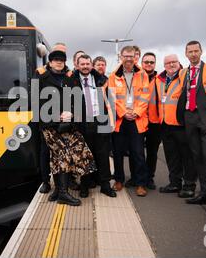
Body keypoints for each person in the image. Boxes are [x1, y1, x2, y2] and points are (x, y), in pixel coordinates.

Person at [36, 44, 96, 206]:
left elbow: (77, 99)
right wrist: (54, 116)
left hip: (68, 124)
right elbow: (35, 101)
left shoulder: (70, 77)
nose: (59, 63)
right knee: (61, 155)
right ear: (50, 62)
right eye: (56, 60)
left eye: (61, 60)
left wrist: (70, 113)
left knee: (75, 152)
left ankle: (58, 190)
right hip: (49, 125)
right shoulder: (40, 76)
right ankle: (62, 192)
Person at [177, 41, 206, 217]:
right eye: (190, 52)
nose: (194, 54)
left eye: (196, 51)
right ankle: (203, 193)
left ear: (201, 52)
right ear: (186, 54)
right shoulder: (183, 73)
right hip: (190, 118)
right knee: (197, 158)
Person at [108, 46, 150, 197]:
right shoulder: (113, 76)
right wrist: (124, 113)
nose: (128, 59)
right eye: (126, 56)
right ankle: (119, 180)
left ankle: (140, 183)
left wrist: (136, 112)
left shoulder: (143, 75)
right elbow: (112, 98)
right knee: (118, 153)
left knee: (138, 153)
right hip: (121, 120)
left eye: (131, 56)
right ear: (121, 56)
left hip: (137, 120)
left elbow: (145, 97)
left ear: (135, 57)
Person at [73, 54, 117, 199]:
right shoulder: (71, 80)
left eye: (88, 64)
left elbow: (109, 102)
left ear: (91, 65)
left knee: (103, 155)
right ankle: (84, 186)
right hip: (82, 124)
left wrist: (111, 122)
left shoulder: (101, 79)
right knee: (84, 156)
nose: (85, 66)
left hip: (101, 121)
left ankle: (105, 186)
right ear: (77, 65)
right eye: (82, 64)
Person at [154, 55, 197, 198]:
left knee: (187, 157)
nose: (171, 65)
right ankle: (174, 183)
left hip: (181, 124)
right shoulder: (159, 80)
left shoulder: (185, 77)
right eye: (168, 63)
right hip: (165, 124)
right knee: (171, 157)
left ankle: (189, 186)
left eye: (174, 62)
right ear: (164, 65)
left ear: (179, 63)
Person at [141, 52, 162, 190]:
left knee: (152, 152)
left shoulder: (161, 79)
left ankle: (149, 178)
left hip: (155, 122)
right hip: (139, 120)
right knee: (136, 152)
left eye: (151, 62)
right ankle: (138, 176)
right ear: (142, 63)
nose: (149, 64)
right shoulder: (136, 77)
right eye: (146, 62)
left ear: (155, 64)